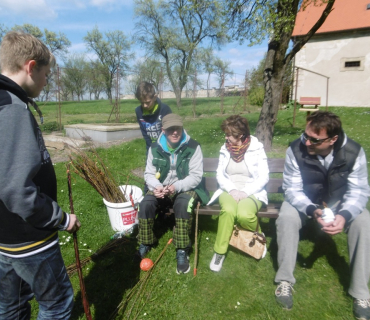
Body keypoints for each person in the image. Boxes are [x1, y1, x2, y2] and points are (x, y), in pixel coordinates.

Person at [0, 31, 81, 320]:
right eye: (46, 74)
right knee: (57, 304)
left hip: (5, 237)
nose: (47, 81)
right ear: (30, 67)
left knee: (11, 305)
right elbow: (15, 188)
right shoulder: (11, 108)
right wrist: (60, 218)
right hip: (28, 236)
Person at [274, 111, 370, 319]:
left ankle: (361, 293)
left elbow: (359, 191)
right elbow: (292, 189)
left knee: (364, 221)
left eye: (314, 139)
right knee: (287, 217)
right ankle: (284, 281)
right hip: (307, 202)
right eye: (305, 135)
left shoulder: (354, 152)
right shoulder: (295, 149)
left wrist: (344, 215)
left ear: (333, 139)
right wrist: (311, 209)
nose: (307, 142)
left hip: (341, 203)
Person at [136, 113, 209, 274]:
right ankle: (146, 242)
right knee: (146, 203)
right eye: (170, 130)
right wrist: (156, 186)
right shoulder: (155, 148)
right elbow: (149, 174)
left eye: (177, 129)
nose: (175, 132)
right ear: (163, 130)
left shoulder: (193, 147)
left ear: (182, 128)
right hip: (161, 188)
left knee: (183, 204)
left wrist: (176, 187)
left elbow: (196, 177)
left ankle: (182, 249)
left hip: (186, 187)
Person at [207, 115, 269, 272]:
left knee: (244, 215)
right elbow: (220, 174)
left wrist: (245, 192)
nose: (226, 138)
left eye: (229, 135)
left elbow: (264, 177)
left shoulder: (256, 148)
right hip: (229, 190)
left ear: (241, 135)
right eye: (226, 134)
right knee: (228, 211)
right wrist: (232, 190)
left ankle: (258, 236)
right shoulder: (225, 149)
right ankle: (219, 252)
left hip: (252, 190)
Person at [135, 81, 172, 151]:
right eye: (142, 102)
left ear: (155, 97)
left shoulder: (165, 109)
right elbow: (144, 131)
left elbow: (170, 130)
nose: (145, 105)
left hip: (166, 146)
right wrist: (151, 146)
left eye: (148, 102)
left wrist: (163, 146)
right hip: (150, 147)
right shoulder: (138, 111)